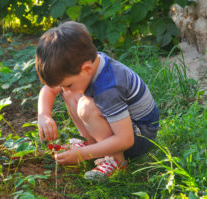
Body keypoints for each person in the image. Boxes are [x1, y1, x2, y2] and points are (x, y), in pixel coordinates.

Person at [35, 21, 159, 180]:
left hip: (139, 138)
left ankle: (117, 162)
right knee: (71, 94)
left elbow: (125, 139)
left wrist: (82, 155)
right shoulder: (86, 62)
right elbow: (50, 89)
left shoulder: (109, 88)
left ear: (86, 69)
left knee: (86, 107)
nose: (63, 89)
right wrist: (44, 114)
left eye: (68, 84)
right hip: (123, 127)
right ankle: (94, 144)